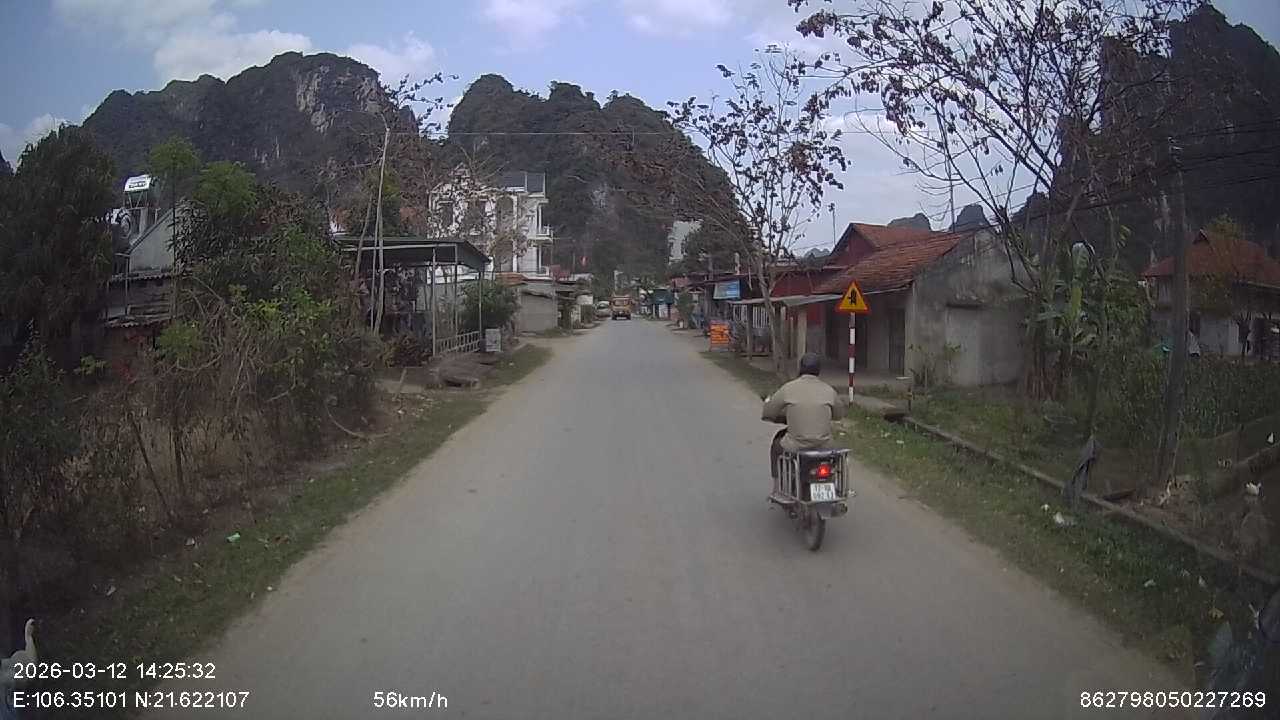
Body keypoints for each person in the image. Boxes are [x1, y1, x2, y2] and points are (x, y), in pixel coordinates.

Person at [762, 353, 848, 484]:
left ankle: (776, 487)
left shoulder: (788, 388)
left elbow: (768, 412)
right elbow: (838, 415)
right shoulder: (829, 390)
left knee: (776, 446)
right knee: (833, 457)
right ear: (818, 370)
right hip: (824, 445)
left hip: (795, 445)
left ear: (800, 368)